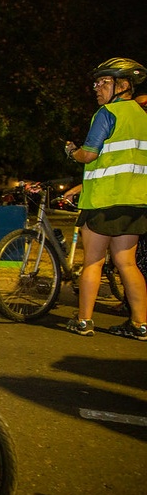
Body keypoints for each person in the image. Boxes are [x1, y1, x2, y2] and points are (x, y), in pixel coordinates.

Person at [63, 57, 147, 340]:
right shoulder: (142, 116)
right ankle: (140, 324)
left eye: (104, 82)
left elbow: (90, 154)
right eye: (96, 83)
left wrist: (72, 153)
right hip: (135, 202)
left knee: (94, 262)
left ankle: (84, 321)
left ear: (123, 85)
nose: (97, 88)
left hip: (102, 202)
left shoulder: (107, 113)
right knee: (127, 263)